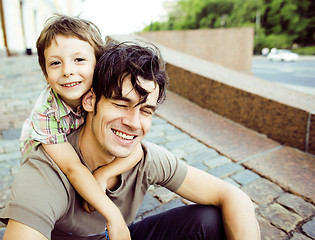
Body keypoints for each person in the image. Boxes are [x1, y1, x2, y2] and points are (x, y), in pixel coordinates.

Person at [0, 41, 260, 239]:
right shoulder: (46, 172)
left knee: (209, 220)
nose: (134, 123)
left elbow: (233, 197)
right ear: (90, 100)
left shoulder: (144, 157)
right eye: (121, 104)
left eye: (145, 110)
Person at [18, 15, 143, 239]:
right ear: (46, 74)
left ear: (98, 64)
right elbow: (72, 168)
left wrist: (103, 175)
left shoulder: (103, 94)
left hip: (80, 150)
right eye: (55, 63)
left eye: (79, 60)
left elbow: (138, 150)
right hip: (51, 158)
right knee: (68, 185)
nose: (67, 70)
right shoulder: (46, 113)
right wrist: (113, 215)